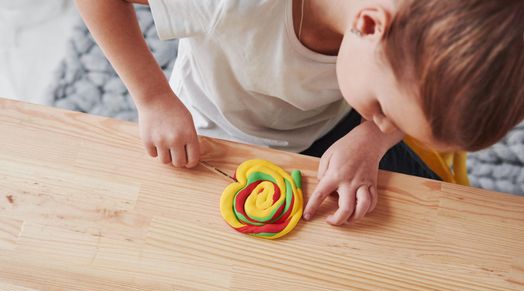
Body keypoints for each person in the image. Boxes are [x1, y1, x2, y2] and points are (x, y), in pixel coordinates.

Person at [75, 0, 524, 225]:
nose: (390, 125)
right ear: (368, 26)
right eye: (386, 112)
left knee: (436, 225)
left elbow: (400, 109)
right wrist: (153, 99)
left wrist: (372, 136)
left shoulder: (397, 42)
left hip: (339, 126)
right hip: (220, 126)